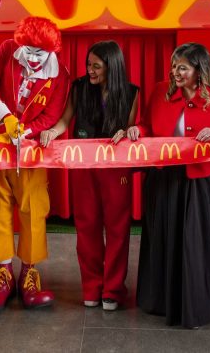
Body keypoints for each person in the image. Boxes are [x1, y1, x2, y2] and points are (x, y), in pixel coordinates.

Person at [126, 42, 210, 329]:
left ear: (200, 70)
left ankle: (195, 306)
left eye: (183, 67)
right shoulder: (159, 92)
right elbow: (147, 125)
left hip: (201, 183)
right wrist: (137, 129)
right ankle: (161, 302)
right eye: (174, 66)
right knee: (163, 239)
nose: (176, 72)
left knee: (195, 245)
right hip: (164, 179)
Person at [0, 16, 70, 311]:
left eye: (41, 53)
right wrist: (5, 116)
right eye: (29, 51)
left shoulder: (60, 73)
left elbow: (52, 115)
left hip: (31, 150)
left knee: (33, 208)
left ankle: (29, 274)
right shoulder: (7, 50)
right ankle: (3, 274)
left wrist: (25, 132)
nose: (34, 58)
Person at [40, 40, 139, 311]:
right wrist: (52, 131)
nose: (90, 71)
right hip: (83, 167)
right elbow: (65, 120)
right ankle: (92, 288)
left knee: (118, 229)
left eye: (96, 66)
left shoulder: (131, 92)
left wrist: (129, 131)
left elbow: (132, 128)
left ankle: (112, 290)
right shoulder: (79, 87)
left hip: (116, 168)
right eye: (88, 65)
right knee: (86, 227)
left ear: (112, 66)